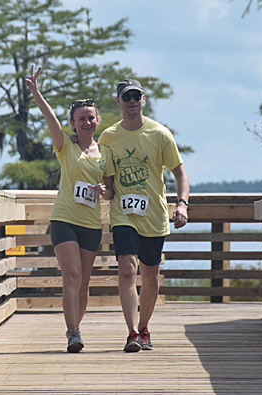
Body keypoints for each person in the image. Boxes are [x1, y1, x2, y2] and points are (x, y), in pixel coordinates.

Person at [25, 65, 115, 353]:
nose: (86, 122)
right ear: (73, 123)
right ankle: (73, 332)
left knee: (84, 284)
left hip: (91, 224)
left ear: (97, 120)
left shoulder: (105, 154)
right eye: (81, 119)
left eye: (91, 117)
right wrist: (37, 93)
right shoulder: (66, 146)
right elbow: (50, 119)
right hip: (64, 219)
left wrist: (104, 190)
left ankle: (77, 327)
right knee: (72, 275)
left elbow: (111, 190)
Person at [98, 78, 189, 352]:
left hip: (154, 215)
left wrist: (182, 204)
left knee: (150, 275)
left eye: (136, 95)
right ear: (119, 102)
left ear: (144, 99)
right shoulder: (108, 137)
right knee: (127, 268)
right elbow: (108, 184)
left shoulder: (160, 134)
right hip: (124, 215)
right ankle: (131, 333)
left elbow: (180, 173)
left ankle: (145, 327)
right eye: (127, 97)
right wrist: (103, 191)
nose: (132, 101)